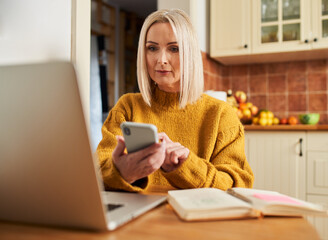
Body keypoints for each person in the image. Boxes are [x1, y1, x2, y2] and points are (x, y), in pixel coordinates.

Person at [96, 9, 254, 193]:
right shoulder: (127, 107)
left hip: (196, 220)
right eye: (152, 48)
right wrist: (121, 172)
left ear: (190, 54)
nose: (161, 60)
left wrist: (186, 166)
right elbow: (98, 169)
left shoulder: (221, 114)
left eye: (174, 48)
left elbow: (238, 186)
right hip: (137, 219)